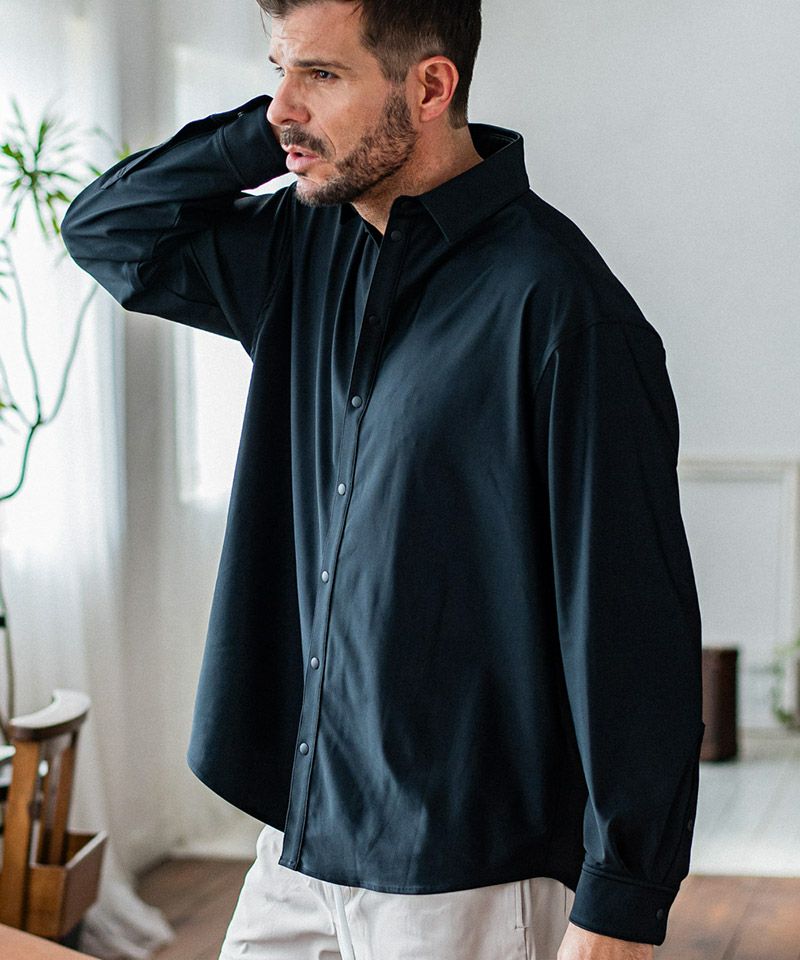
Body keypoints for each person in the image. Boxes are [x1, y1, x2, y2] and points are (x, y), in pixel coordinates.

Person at [60, 1, 704, 957]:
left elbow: (630, 627)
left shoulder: (562, 310)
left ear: (432, 87)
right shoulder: (302, 246)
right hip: (304, 835)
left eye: (321, 74)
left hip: (469, 868)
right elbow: (111, 230)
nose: (283, 104)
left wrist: (620, 900)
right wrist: (284, 128)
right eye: (277, 70)